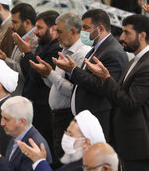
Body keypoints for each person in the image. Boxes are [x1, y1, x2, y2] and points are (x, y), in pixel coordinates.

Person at [84, 14, 149, 171]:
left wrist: (105, 79)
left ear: (142, 35)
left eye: (127, 33)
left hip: (142, 147)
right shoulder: (135, 62)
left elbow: (130, 103)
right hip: (131, 144)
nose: (122, 37)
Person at [55, 9, 128, 141]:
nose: (82, 31)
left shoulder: (113, 52)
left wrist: (73, 70)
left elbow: (103, 87)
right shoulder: (97, 48)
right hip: (87, 118)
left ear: (100, 29)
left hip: (99, 120)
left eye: (86, 28)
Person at [29, 11, 91, 161]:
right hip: (57, 117)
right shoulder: (64, 49)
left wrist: (50, 73)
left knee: (66, 163)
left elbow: (74, 92)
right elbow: (54, 85)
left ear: (73, 31)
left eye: (59, 31)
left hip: (68, 117)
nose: (56, 35)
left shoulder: (81, 55)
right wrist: (46, 74)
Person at [15, 10, 62, 152]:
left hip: (44, 112)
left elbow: (36, 76)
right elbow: (28, 73)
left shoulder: (56, 50)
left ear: (53, 29)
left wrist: (27, 53)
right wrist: (27, 54)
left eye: (40, 28)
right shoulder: (42, 47)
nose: (35, 32)